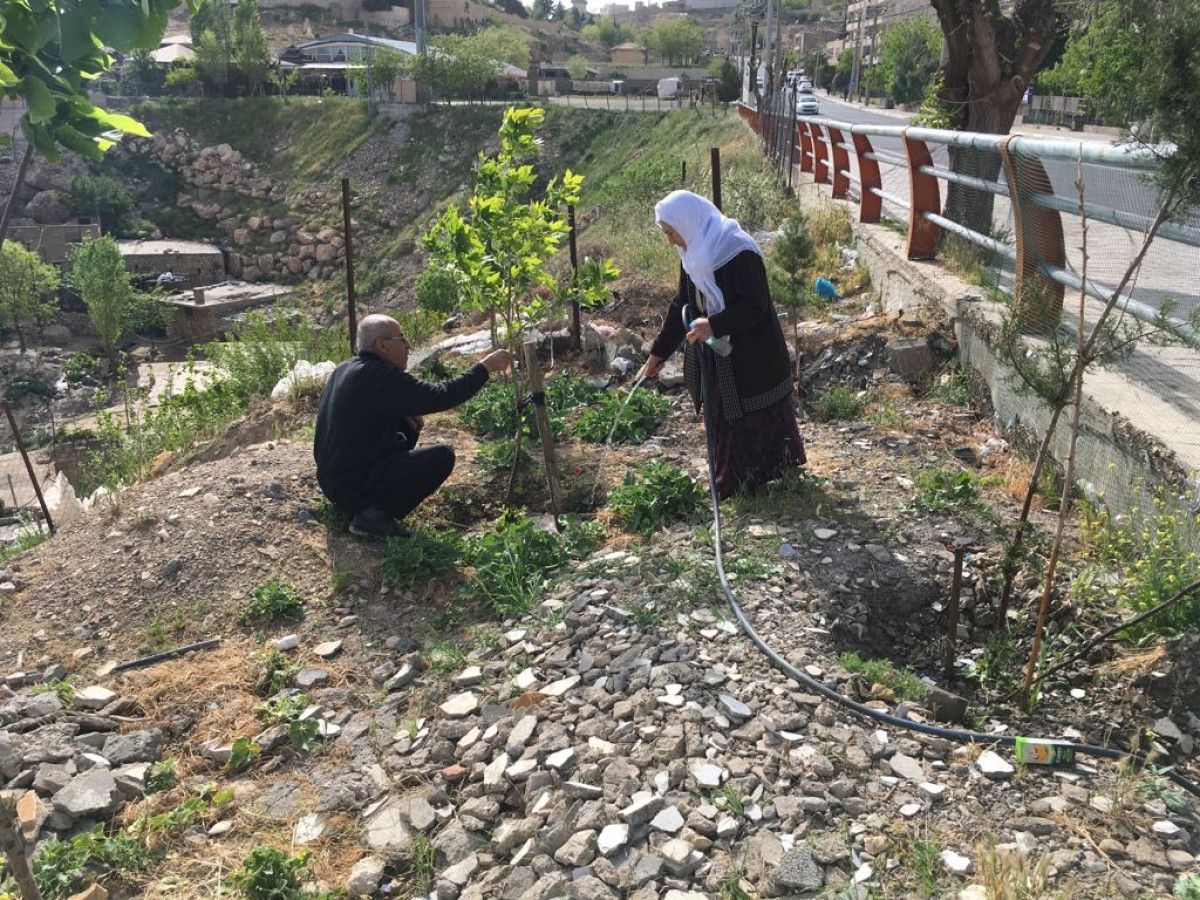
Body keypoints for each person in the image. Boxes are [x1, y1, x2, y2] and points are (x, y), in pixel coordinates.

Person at [637, 190, 805, 499]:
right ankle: (735, 482)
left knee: (757, 413)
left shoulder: (737, 250)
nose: (670, 240)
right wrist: (658, 354)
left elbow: (755, 305)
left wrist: (715, 323)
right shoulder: (693, 254)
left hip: (754, 353)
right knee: (724, 417)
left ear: (687, 222)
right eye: (667, 233)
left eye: (671, 232)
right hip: (720, 355)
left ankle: (771, 477)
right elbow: (682, 304)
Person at [314, 314, 512, 539]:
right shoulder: (381, 376)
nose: (408, 346)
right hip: (352, 485)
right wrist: (485, 368)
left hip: (332, 482)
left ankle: (368, 504)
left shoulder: (345, 368)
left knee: (408, 426)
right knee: (442, 457)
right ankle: (372, 518)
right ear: (382, 345)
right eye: (402, 339)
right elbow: (441, 396)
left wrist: (402, 413)